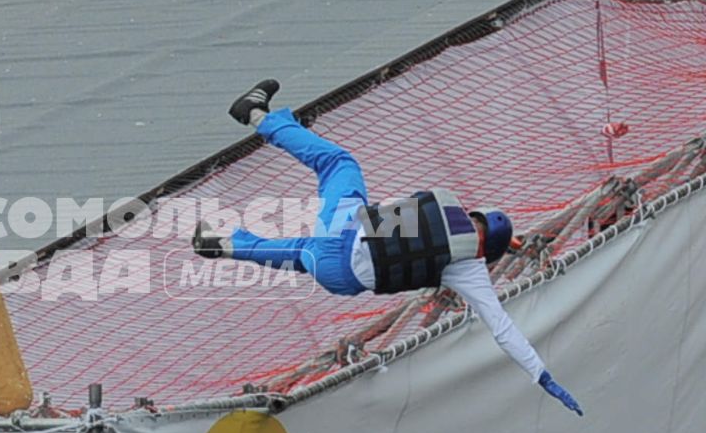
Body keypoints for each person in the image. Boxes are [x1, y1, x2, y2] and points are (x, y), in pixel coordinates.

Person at [191, 79, 583, 414]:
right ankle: (224, 245)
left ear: (477, 215)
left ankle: (261, 116)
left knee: (338, 164)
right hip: (339, 279)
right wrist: (541, 375)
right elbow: (503, 329)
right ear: (488, 253)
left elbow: (381, 217)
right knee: (303, 255)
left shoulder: (445, 214)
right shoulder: (468, 267)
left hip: (341, 234)